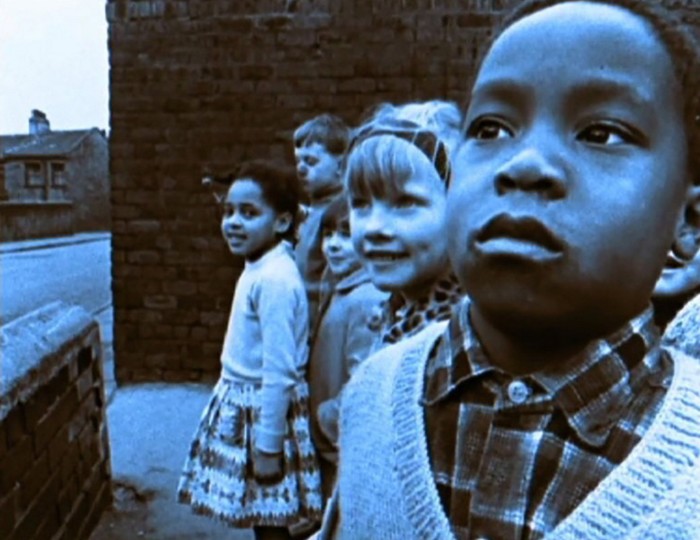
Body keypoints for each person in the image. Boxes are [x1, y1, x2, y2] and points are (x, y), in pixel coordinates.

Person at [322, 2, 700, 538]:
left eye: (601, 133)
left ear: (689, 223)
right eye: (492, 127)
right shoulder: (371, 398)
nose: (523, 163)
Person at [177, 160, 322, 540]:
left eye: (249, 213)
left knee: (272, 518)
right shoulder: (260, 265)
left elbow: (279, 371)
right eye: (228, 212)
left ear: (281, 222)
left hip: (263, 412)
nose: (234, 222)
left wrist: (269, 445)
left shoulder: (275, 279)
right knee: (264, 516)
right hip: (246, 406)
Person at [344, 106, 463, 351]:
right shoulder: (396, 315)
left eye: (405, 202)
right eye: (361, 203)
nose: (374, 228)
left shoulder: (457, 342)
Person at [307, 195, 388, 500]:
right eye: (328, 235)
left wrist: (325, 418)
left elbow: (363, 380)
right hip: (332, 443)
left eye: (345, 235)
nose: (334, 245)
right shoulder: (342, 284)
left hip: (341, 444)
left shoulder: (368, 298)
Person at [293, 114, 352, 328]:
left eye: (311, 161)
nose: (300, 168)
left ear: (341, 165)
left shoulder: (340, 214)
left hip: (318, 323)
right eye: (298, 161)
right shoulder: (310, 211)